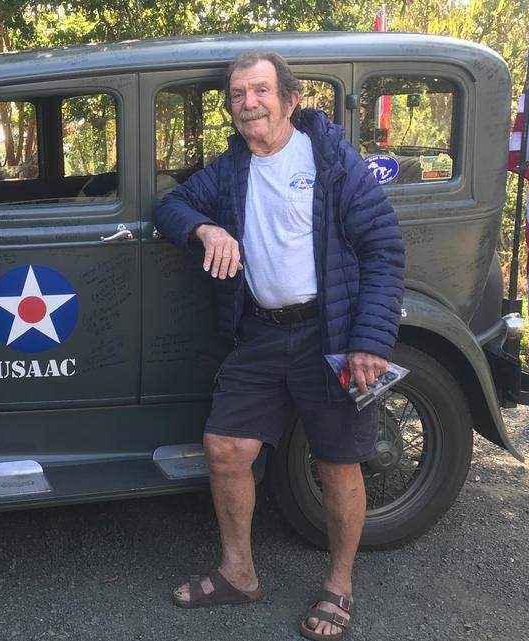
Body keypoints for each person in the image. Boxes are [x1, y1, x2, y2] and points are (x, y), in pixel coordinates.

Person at [153, 50, 406, 641]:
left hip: (331, 334)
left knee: (338, 462)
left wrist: (370, 341)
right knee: (225, 447)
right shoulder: (234, 167)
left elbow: (384, 248)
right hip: (263, 332)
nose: (249, 104)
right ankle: (238, 574)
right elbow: (169, 204)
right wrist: (206, 227)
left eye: (261, 91)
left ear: (290, 98)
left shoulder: (332, 161)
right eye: (239, 94)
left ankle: (339, 587)